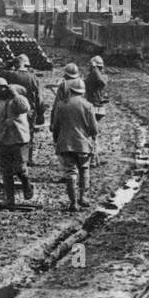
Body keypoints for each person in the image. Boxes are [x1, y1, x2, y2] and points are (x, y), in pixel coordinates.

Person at [0, 78, 34, 209]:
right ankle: (9, 200)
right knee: (5, 172)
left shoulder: (16, 101)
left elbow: (25, 108)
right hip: (2, 140)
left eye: (0, 88)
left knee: (20, 168)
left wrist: (15, 94)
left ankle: (26, 183)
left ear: (6, 88)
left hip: (18, 140)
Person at [51, 78, 99, 212]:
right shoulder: (88, 105)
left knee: (70, 172)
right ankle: (83, 198)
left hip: (65, 144)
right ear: (82, 92)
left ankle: (73, 203)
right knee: (84, 169)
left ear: (70, 90)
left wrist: (57, 140)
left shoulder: (61, 105)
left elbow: (56, 127)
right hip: (83, 145)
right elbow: (94, 129)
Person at [85, 55, 109, 166]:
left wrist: (94, 69)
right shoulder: (97, 75)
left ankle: (93, 159)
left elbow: (102, 82)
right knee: (93, 134)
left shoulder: (96, 75)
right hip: (97, 107)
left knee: (90, 134)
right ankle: (96, 158)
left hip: (94, 107)